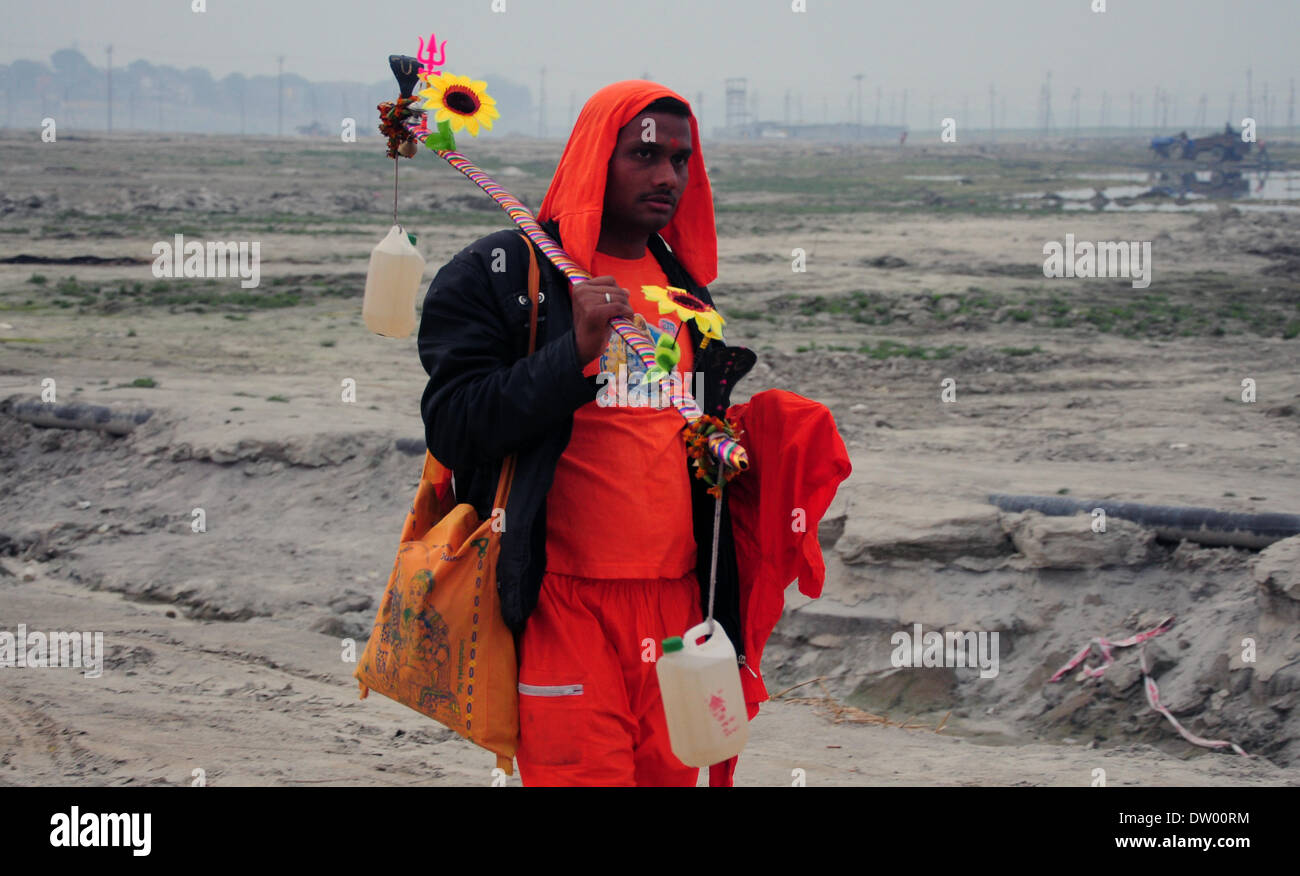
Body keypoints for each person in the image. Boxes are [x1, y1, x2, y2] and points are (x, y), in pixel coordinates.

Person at [416, 80, 757, 786]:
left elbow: (688, 439)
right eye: (645, 155)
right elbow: (456, 423)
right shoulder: (504, 277)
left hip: (676, 606)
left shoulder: (686, 295)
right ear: (595, 158)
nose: (668, 176)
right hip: (563, 605)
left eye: (682, 160)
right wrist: (569, 355)